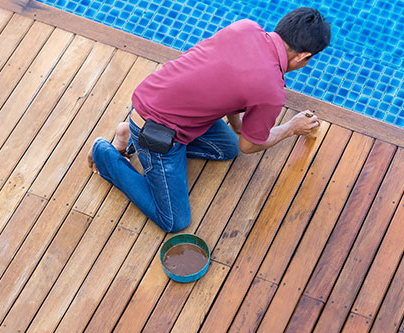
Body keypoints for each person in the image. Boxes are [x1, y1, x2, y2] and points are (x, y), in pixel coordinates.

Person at [88, 8, 331, 232]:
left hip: (154, 95)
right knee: (174, 220)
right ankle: (105, 153)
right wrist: (291, 128)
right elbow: (250, 146)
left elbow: (228, 80)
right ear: (304, 56)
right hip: (158, 133)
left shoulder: (245, 28)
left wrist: (236, 125)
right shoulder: (271, 91)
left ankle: (130, 135)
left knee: (227, 148)